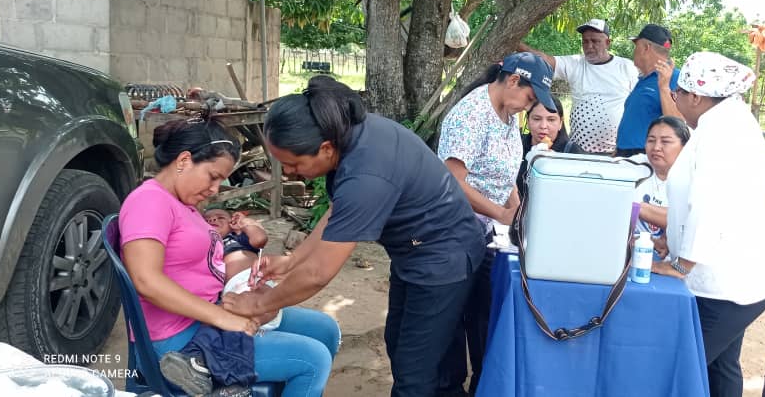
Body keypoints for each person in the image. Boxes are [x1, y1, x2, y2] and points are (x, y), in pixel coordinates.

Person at [220, 75, 489, 397]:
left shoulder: (366, 173)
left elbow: (319, 274)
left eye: (293, 164)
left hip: (444, 257)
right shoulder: (347, 133)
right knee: (405, 347)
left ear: (325, 148)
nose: (289, 172)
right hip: (418, 252)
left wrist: (259, 303)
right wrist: (292, 261)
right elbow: (340, 213)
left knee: (417, 374)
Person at [118, 118, 340, 397]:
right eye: (213, 176)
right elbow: (145, 280)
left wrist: (247, 297)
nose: (215, 189)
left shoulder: (183, 203)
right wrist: (223, 318)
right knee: (313, 360)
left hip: (208, 318)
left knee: (325, 329)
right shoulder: (149, 201)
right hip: (179, 344)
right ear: (184, 160)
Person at [651, 52, 765, 397]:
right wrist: (674, 237)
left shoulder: (721, 133)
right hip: (737, 277)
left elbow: (710, 205)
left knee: (679, 367)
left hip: (726, 284)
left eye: (678, 93)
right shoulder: (724, 123)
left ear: (696, 96)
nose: (676, 100)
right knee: (720, 368)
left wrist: (681, 264)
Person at [435, 52, 558, 396]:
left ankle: (483, 384)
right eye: (530, 98)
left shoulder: (508, 115)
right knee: (452, 320)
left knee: (485, 314)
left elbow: (505, 177)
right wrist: (501, 214)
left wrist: (519, 213)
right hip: (453, 230)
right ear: (514, 80)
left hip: (487, 231)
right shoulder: (472, 114)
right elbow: (452, 180)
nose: (529, 106)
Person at [519, 18, 638, 154]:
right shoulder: (575, 64)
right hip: (577, 152)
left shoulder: (626, 67)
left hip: (614, 152)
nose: (589, 46)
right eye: (585, 41)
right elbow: (544, 60)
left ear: (607, 43)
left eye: (595, 41)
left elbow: (638, 105)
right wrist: (515, 44)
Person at [615, 24, 683, 157]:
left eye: (636, 46)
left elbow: (678, 123)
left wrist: (664, 87)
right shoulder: (644, 79)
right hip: (625, 154)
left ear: (646, 47)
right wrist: (619, 148)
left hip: (647, 156)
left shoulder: (676, 78)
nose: (634, 51)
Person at [629, 116, 690, 259]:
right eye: (651, 140)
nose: (656, 147)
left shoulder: (694, 177)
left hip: (675, 264)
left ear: (685, 147)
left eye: (665, 142)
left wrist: (637, 207)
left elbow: (688, 220)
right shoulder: (632, 166)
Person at [516, 98, 569, 197]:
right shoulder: (515, 145)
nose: (543, 126)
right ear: (527, 120)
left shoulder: (571, 152)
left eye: (551, 120)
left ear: (560, 123)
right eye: (537, 119)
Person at [204, 208, 268, 280]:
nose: (212, 219)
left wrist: (243, 222)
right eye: (206, 220)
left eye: (221, 217)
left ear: (232, 222)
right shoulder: (201, 244)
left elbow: (260, 239)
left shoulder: (237, 237)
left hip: (250, 278)